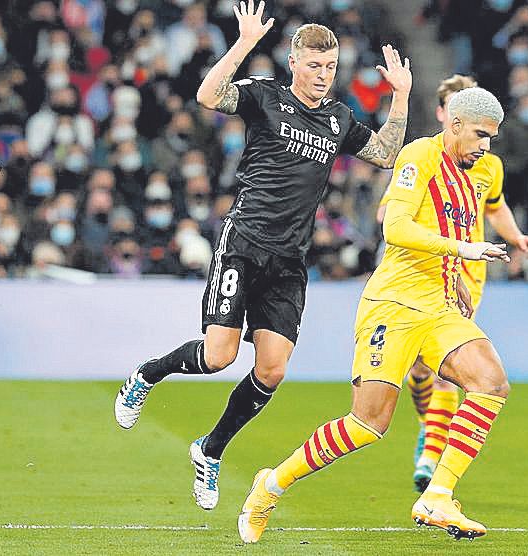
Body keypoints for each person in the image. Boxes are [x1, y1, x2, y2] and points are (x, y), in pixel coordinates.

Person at [113, 0, 412, 511]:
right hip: (243, 243)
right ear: (294, 63)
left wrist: (401, 97)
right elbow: (208, 94)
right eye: (315, 66)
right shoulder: (264, 96)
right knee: (218, 357)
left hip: (289, 262)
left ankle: (210, 450)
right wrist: (245, 43)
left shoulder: (339, 118)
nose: (323, 75)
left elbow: (384, 154)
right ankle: (147, 374)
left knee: (271, 371)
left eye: (331, 67)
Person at [237, 87, 512, 543]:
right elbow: (396, 227)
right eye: (481, 135)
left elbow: (442, 230)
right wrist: (463, 250)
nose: (486, 146)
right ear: (455, 124)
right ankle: (270, 484)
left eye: (493, 139)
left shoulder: (473, 175)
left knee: (491, 382)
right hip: (393, 305)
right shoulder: (418, 157)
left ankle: (438, 495)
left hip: (439, 304)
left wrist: (456, 275)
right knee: (367, 424)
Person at [375, 74, 528, 492]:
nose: (481, 140)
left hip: (467, 272)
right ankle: (429, 427)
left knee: (456, 370)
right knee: (417, 370)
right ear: (446, 117)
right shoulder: (423, 158)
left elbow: (495, 208)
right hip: (420, 268)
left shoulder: (488, 165)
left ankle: (432, 455)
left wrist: (516, 237)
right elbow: (388, 218)